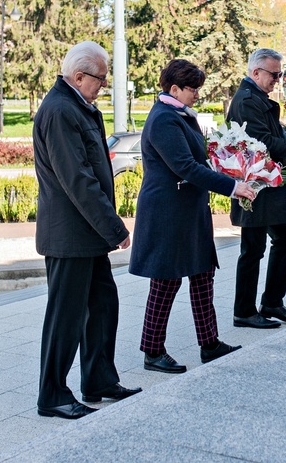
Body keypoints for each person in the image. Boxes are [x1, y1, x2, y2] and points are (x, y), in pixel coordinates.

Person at [33, 41, 141, 420]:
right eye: (100, 80)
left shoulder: (78, 106)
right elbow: (77, 180)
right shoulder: (61, 110)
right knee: (67, 316)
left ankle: (98, 380)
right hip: (69, 236)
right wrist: (113, 227)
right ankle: (53, 395)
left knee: (102, 305)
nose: (103, 87)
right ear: (79, 77)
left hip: (86, 235)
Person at [129, 59, 255, 373]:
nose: (196, 94)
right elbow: (184, 166)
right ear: (174, 89)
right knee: (166, 281)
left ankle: (209, 343)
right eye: (192, 88)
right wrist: (232, 186)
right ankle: (153, 351)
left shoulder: (180, 115)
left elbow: (198, 159)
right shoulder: (164, 119)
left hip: (188, 210)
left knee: (201, 275)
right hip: (168, 213)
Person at [226, 48, 286, 328]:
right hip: (256, 188)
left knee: (281, 240)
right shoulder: (247, 100)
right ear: (256, 72)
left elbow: (272, 135)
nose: (278, 79)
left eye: (280, 74)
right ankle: (245, 310)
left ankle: (272, 303)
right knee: (253, 249)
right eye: (274, 74)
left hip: (264, 186)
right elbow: (264, 143)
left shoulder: (257, 98)